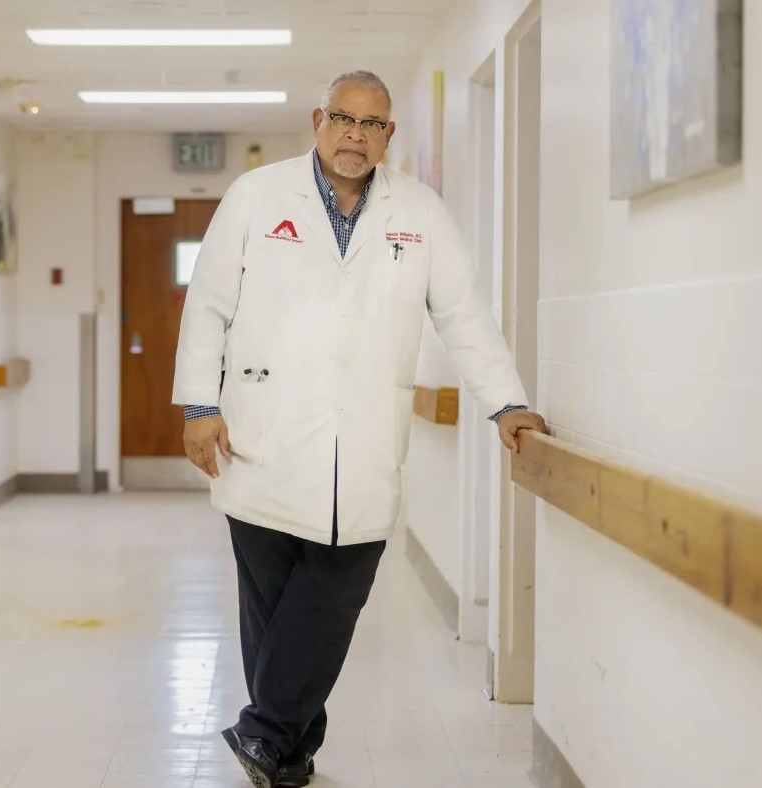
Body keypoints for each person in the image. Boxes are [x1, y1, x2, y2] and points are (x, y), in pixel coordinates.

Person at [170, 70, 548, 788]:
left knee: (334, 594)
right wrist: (197, 406)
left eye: (371, 124)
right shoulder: (256, 195)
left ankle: (263, 732)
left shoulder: (419, 211)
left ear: (388, 134)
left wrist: (505, 402)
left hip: (363, 442)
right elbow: (208, 304)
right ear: (318, 121)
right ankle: (288, 754)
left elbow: (463, 314)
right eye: (343, 119)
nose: (355, 135)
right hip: (259, 433)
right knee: (270, 606)